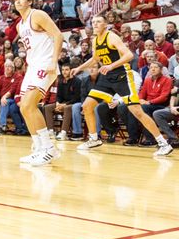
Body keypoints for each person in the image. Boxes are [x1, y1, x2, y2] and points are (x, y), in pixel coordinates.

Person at [70, 15, 173, 157]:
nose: (95, 24)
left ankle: (163, 143)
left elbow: (129, 55)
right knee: (87, 105)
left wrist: (111, 66)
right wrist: (79, 68)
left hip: (122, 76)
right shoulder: (94, 41)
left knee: (137, 111)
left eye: (98, 21)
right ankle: (94, 138)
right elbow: (95, 59)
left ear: (105, 24)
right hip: (107, 78)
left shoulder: (111, 37)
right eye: (93, 22)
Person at [14, 0, 66, 166]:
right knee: (23, 107)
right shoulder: (19, 25)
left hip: (45, 64)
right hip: (33, 66)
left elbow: (58, 35)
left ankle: (50, 148)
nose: (18, 2)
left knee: (30, 104)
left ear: (30, 1)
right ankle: (38, 148)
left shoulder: (37, 15)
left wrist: (54, 60)